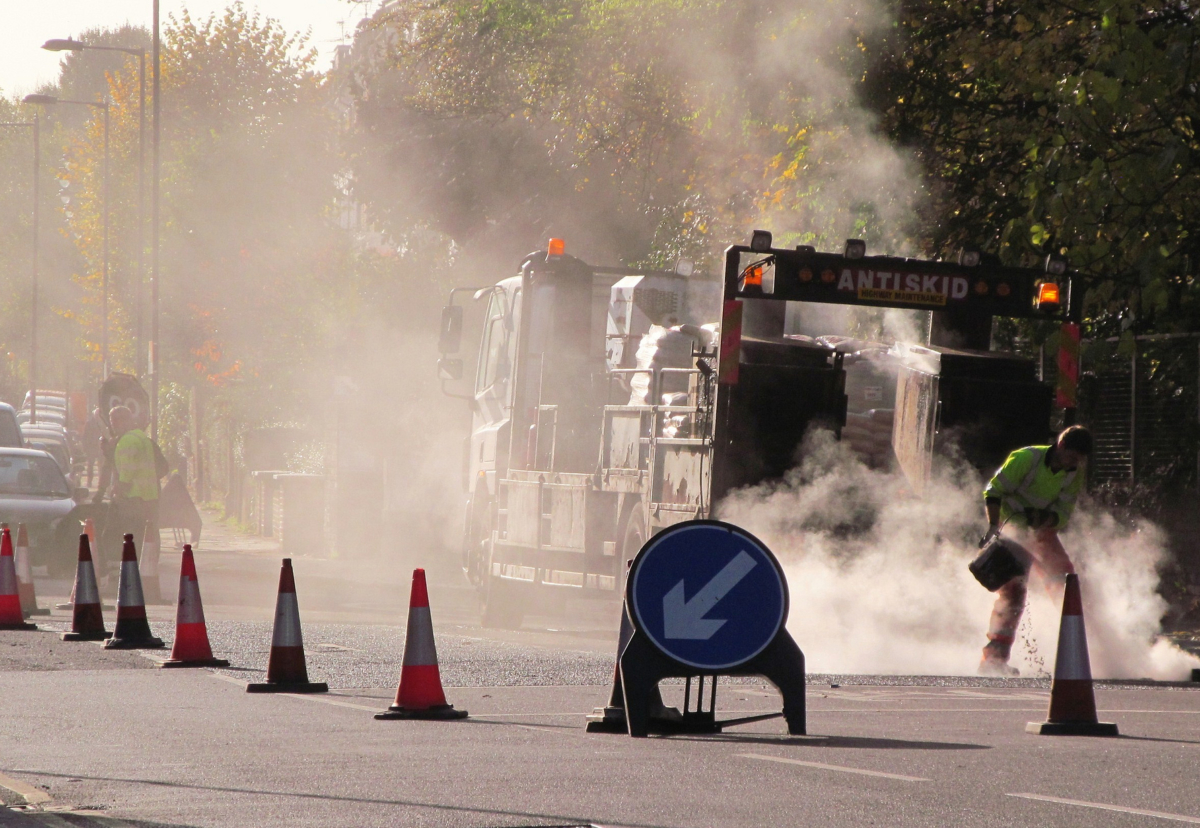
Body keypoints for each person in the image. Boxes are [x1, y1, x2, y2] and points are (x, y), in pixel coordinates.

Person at [978, 425, 1093, 676]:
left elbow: (1063, 515)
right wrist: (993, 527)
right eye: (1072, 457)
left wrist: (1045, 519)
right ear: (1061, 447)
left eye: (1080, 460)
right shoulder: (1026, 458)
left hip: (1041, 533)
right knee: (1013, 593)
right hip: (1012, 531)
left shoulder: (1074, 472)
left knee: (1066, 586)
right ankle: (993, 661)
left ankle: (1084, 654)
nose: (1074, 464)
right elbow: (994, 492)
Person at [100, 405, 161, 568]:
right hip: (148, 496)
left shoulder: (127, 440)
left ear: (121, 421)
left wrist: (118, 490)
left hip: (132, 498)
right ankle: (144, 567)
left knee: (119, 535)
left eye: (113, 421)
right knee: (142, 535)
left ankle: (118, 569)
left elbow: (127, 472)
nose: (112, 425)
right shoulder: (141, 436)